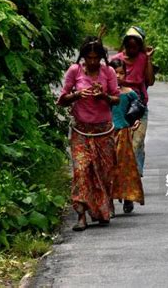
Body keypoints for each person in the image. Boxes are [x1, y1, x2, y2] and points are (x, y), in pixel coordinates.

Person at [57, 36, 120, 231]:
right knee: (81, 170)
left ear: (101, 58)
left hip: (103, 131)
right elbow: (62, 99)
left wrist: (103, 96)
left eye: (96, 58)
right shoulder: (74, 71)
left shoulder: (108, 72)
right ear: (83, 57)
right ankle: (81, 215)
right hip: (81, 132)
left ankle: (102, 211)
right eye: (88, 58)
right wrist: (77, 95)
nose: (92, 62)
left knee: (103, 173)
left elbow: (116, 99)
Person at [110, 26, 155, 212]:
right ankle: (119, 191)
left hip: (137, 108)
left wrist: (149, 60)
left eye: (136, 46)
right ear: (125, 45)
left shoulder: (143, 59)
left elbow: (150, 81)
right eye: (129, 45)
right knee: (115, 153)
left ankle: (130, 189)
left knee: (135, 145)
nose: (132, 49)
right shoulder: (115, 61)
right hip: (117, 110)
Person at [109, 59, 145, 214]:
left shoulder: (129, 93)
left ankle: (128, 198)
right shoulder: (104, 93)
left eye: (121, 72)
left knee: (125, 166)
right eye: (115, 72)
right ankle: (108, 201)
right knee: (108, 167)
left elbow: (138, 109)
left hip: (124, 132)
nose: (118, 76)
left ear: (126, 73)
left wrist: (136, 121)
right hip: (106, 133)